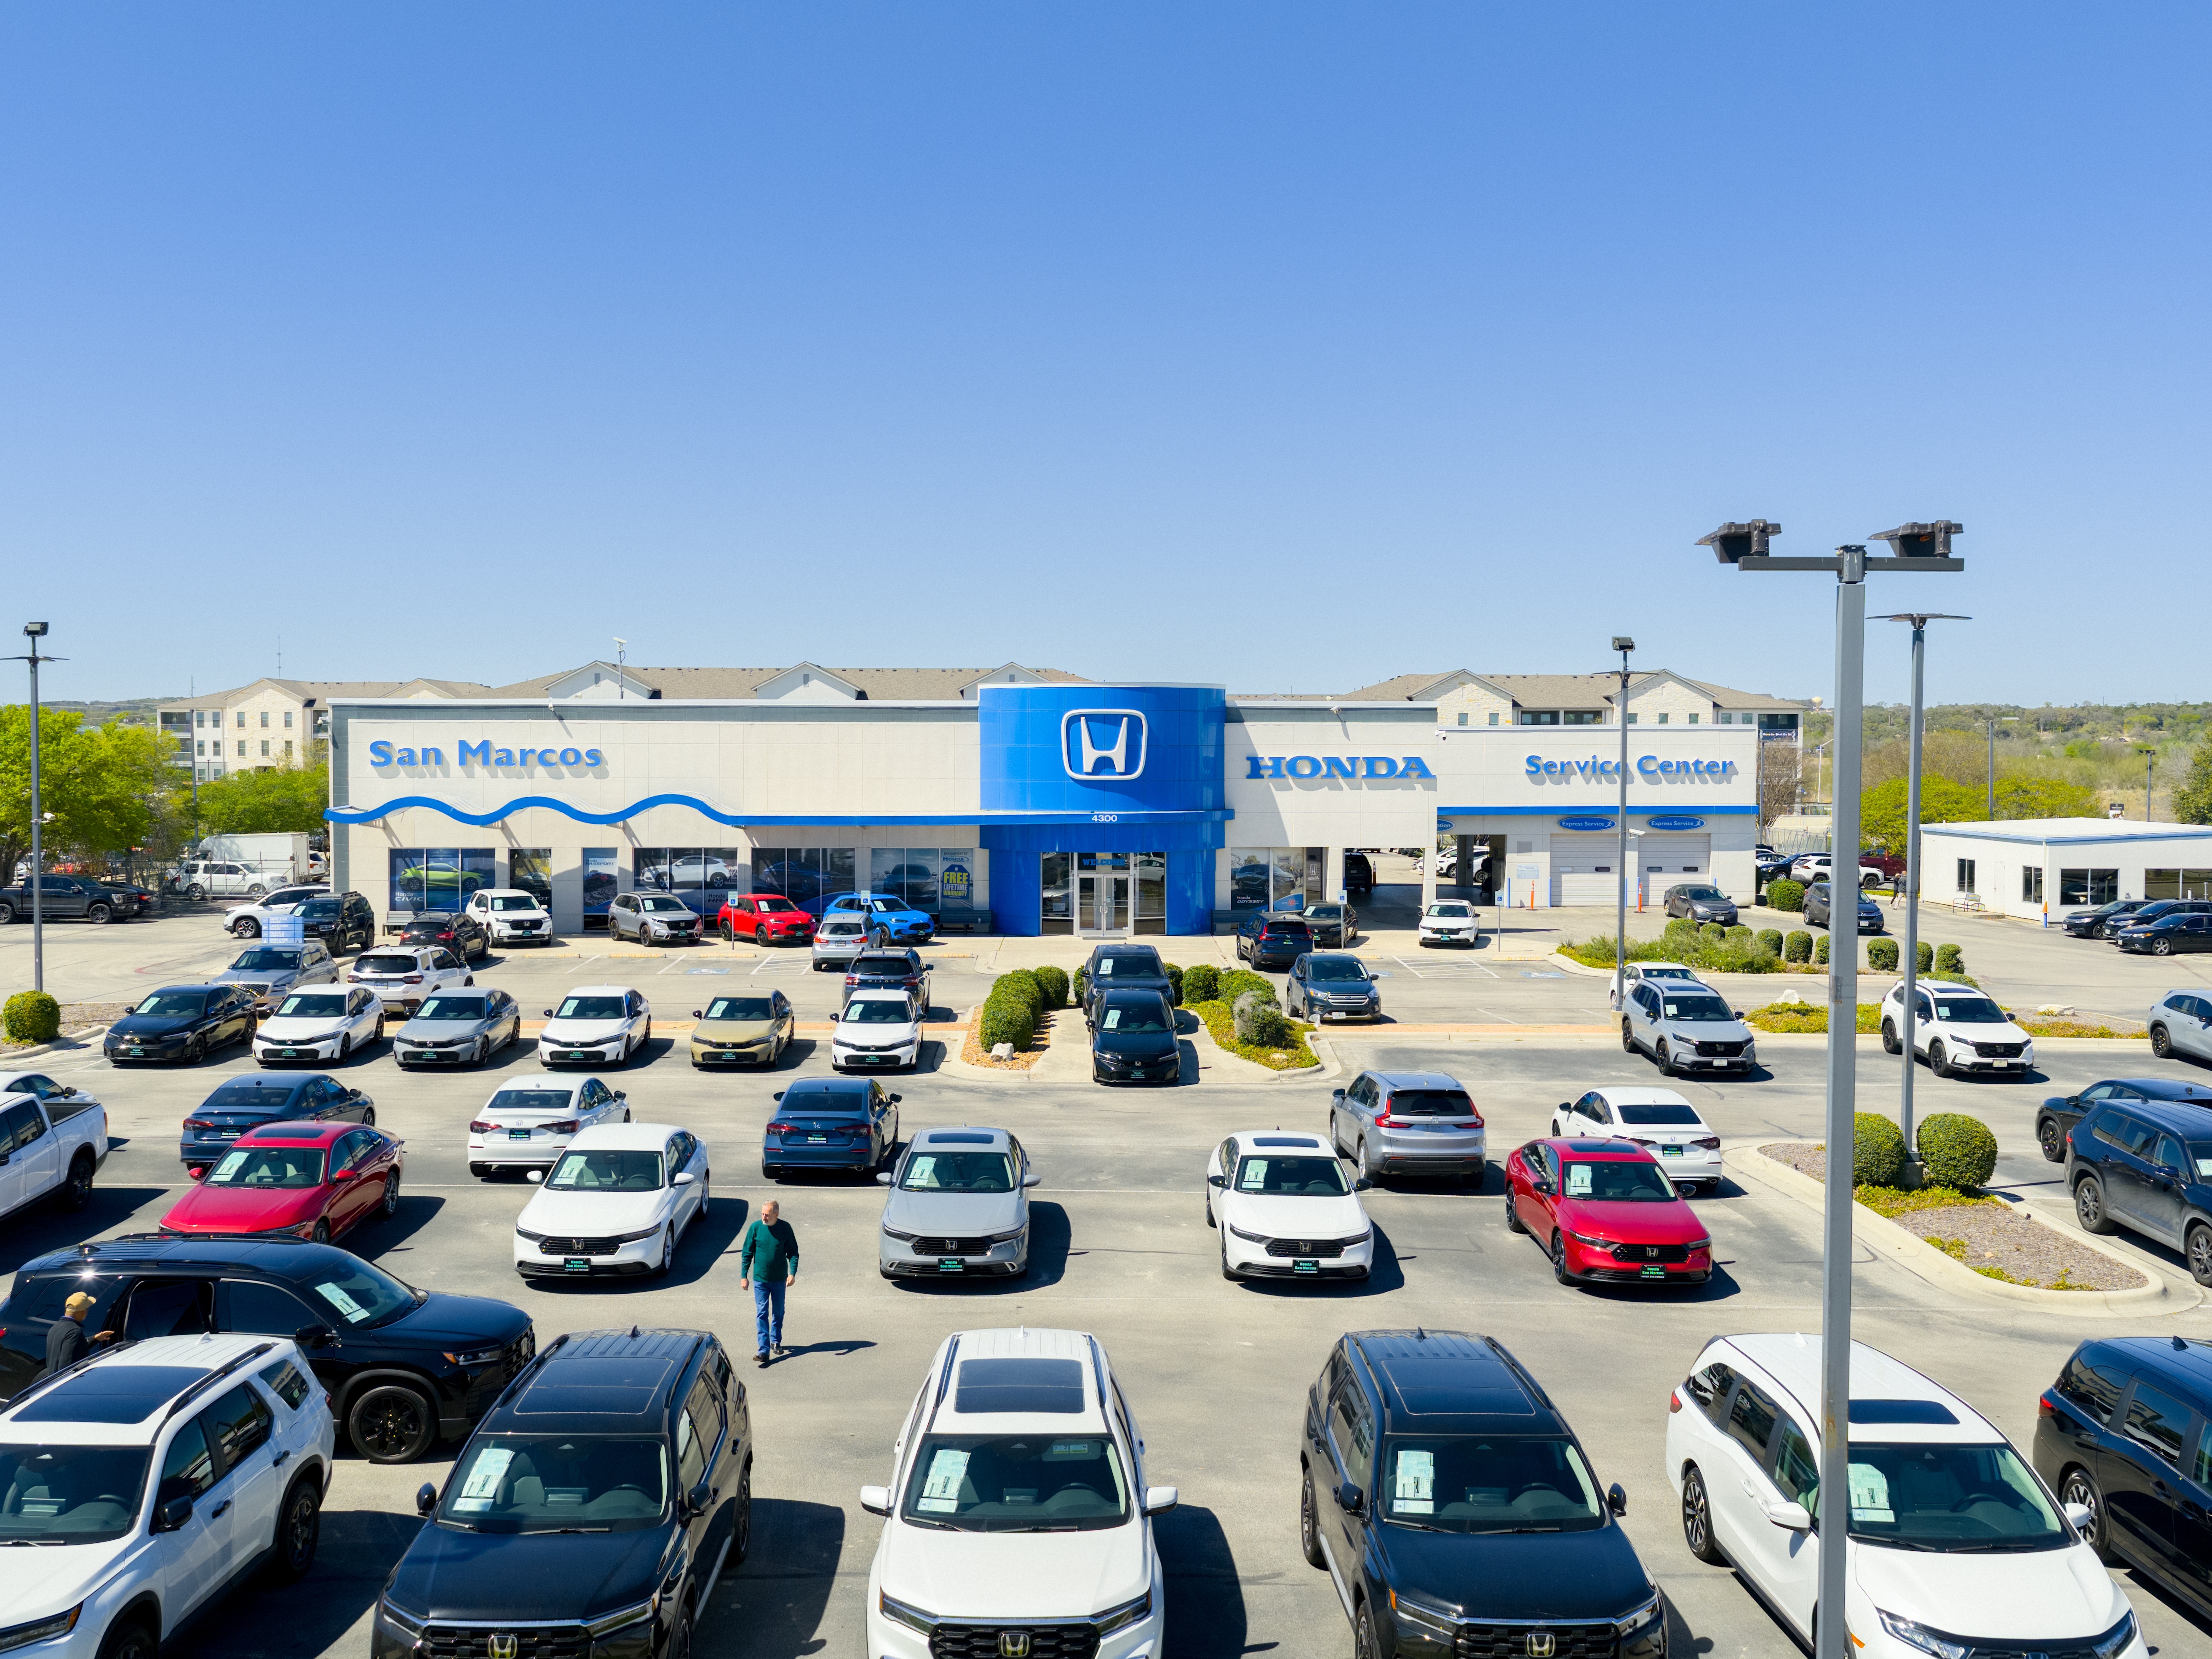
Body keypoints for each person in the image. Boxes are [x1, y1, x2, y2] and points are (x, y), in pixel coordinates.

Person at [738, 1200, 799, 1365]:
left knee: (778, 1312)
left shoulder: (785, 1229)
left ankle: (775, 1341)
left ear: (776, 1215)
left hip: (779, 1280)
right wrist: (744, 1276)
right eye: (763, 1214)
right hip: (760, 1280)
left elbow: (794, 1253)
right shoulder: (756, 1228)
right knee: (762, 1312)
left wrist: (792, 1273)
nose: (764, 1217)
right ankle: (764, 1350)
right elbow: (747, 1253)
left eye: (768, 1214)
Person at [45, 1291, 113, 1375]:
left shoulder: (55, 1328)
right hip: (67, 1384)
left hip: (54, 1381)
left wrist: (95, 1339)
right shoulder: (75, 1331)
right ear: (84, 1312)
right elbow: (67, 1366)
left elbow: (72, 1347)